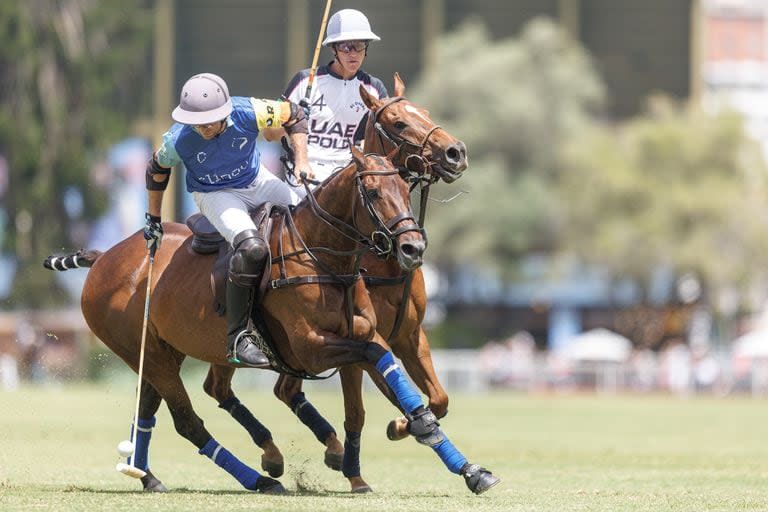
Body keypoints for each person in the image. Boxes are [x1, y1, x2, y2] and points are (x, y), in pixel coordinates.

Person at [142, 72, 311, 368]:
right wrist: (153, 218)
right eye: (197, 123)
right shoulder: (178, 140)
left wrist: (302, 160)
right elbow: (156, 169)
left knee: (310, 213)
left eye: (210, 121)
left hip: (256, 181)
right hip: (215, 194)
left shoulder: (249, 111)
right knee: (251, 248)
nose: (204, 129)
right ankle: (238, 338)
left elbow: (295, 115)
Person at [274, 8, 388, 197]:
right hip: (303, 175)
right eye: (345, 47)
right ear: (333, 48)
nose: (353, 54)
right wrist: (293, 117)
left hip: (348, 177)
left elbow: (379, 142)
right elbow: (269, 134)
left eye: (359, 45)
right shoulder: (304, 81)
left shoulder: (374, 89)